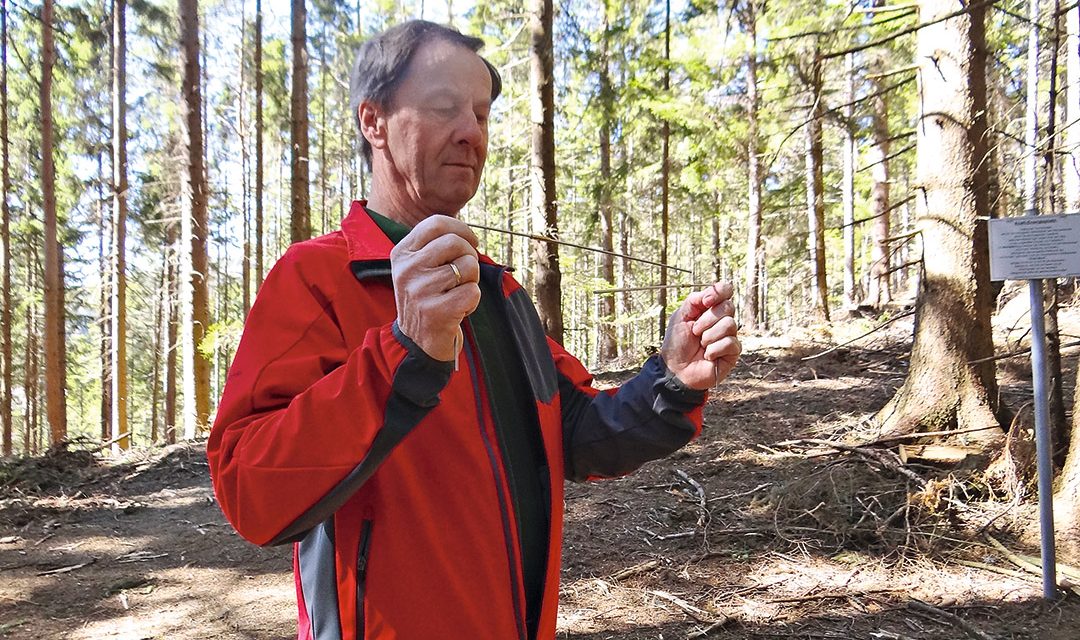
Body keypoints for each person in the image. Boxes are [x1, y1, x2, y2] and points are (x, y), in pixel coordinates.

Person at [206, 19, 741, 640]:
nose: (471, 133)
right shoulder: (318, 278)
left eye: (482, 115)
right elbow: (248, 492)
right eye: (443, 108)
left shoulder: (496, 291)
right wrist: (403, 352)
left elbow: (573, 431)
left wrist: (671, 381)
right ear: (373, 122)